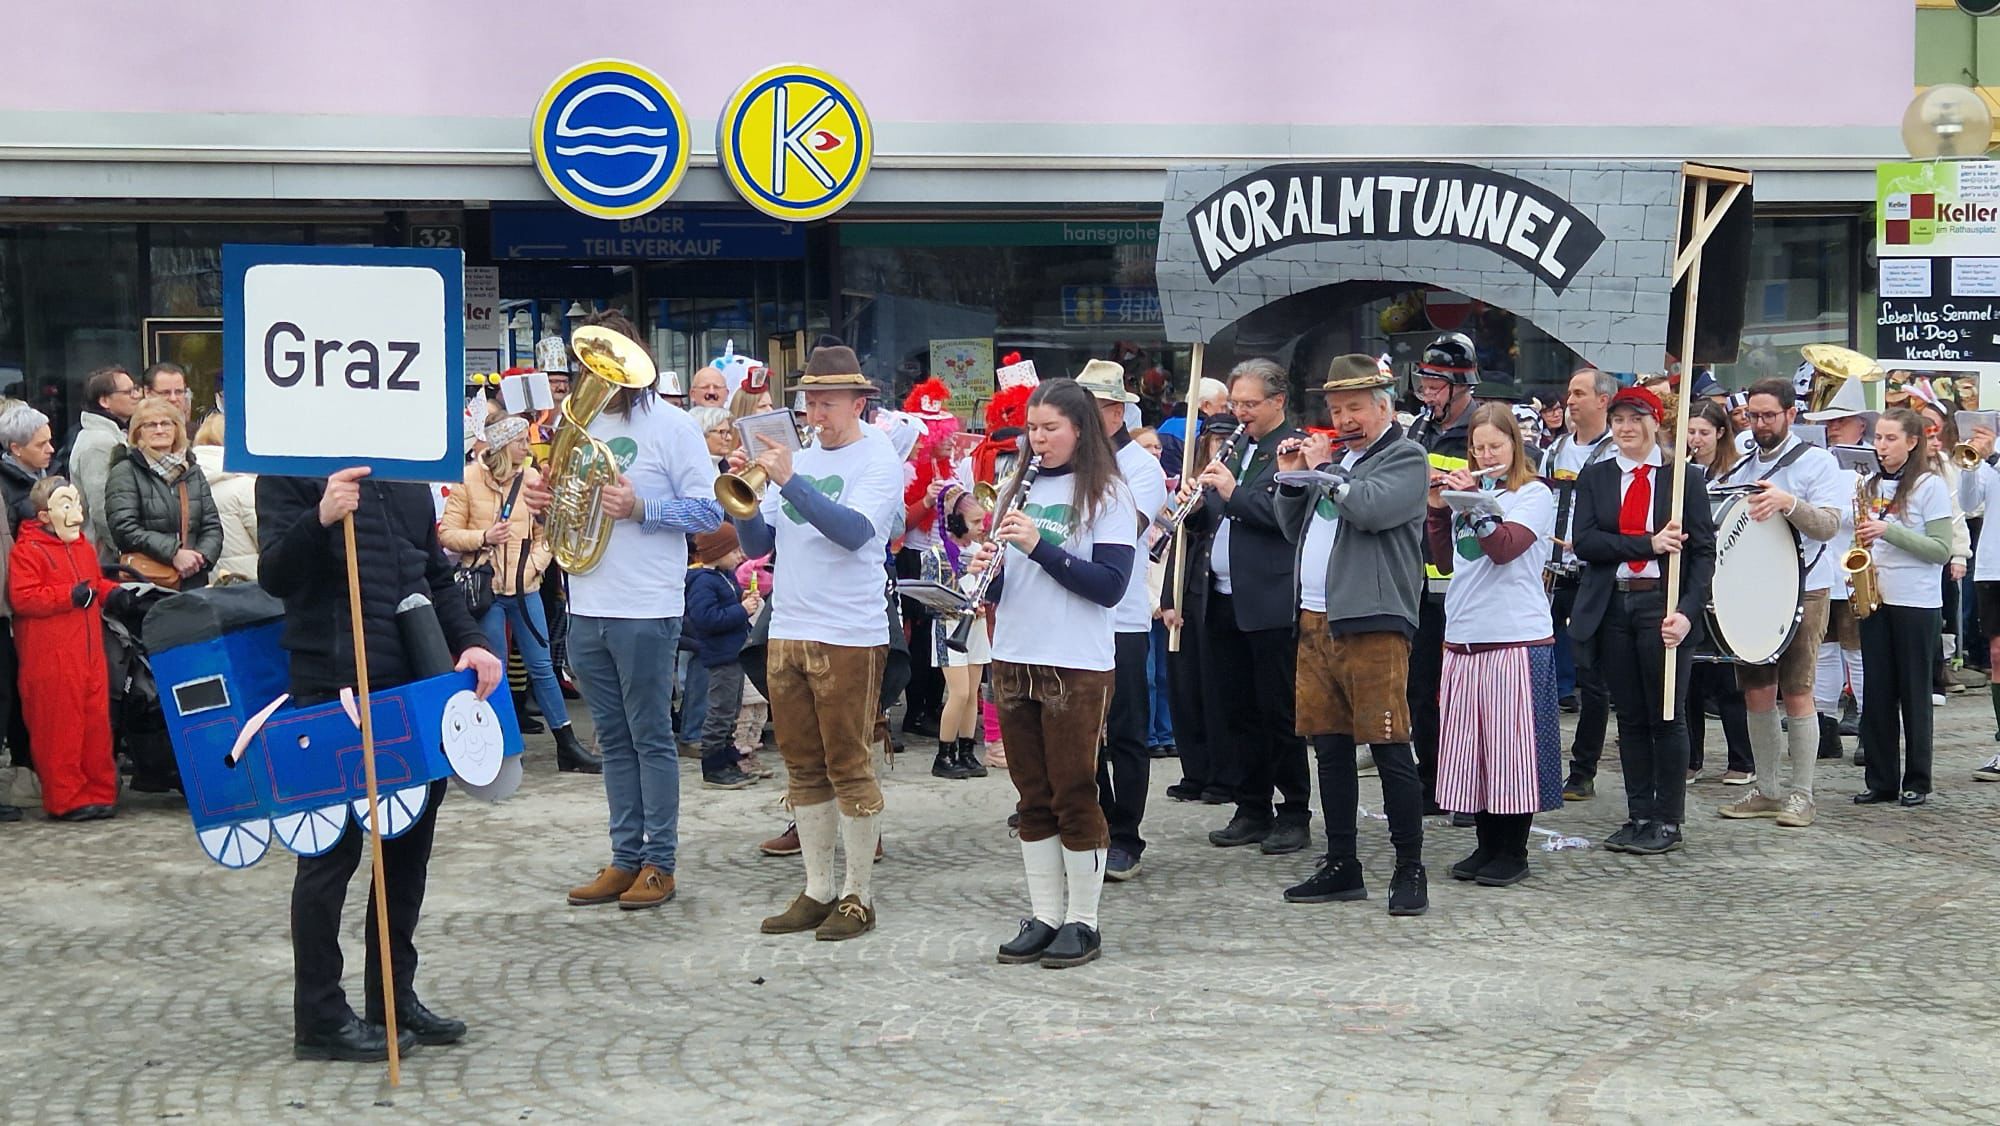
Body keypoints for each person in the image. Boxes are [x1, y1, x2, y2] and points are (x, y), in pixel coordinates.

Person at [258, 461, 504, 1062]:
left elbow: (434, 578)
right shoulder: (289, 470)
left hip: (409, 687)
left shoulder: (404, 473)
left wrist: (470, 640)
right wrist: (321, 517)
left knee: (407, 851)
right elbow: (275, 576)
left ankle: (392, 996)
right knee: (329, 860)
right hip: (331, 686)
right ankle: (318, 1017)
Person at [730, 342, 902, 941]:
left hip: (849, 634)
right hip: (789, 629)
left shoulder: (878, 458)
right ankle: (816, 889)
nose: (815, 415)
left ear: (859, 402)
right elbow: (757, 549)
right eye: (809, 403)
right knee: (802, 767)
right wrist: (744, 497)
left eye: (827, 403)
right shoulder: (795, 457)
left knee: (849, 765)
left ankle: (859, 894)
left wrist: (792, 481)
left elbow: (855, 533)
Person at [967, 378, 1137, 967]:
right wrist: (988, 566)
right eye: (1032, 429)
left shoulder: (1108, 493)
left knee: (1074, 791)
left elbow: (1109, 587)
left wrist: (1040, 546)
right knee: (1031, 795)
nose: (1037, 440)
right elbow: (1018, 580)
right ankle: (1044, 914)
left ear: (1080, 429)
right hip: (1015, 652)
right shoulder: (1019, 486)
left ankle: (1083, 921)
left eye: (1050, 429)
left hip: (1076, 663)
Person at [559, 313, 723, 913]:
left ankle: (661, 862)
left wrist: (641, 508)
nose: (593, 372)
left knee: (651, 736)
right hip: (587, 600)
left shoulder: (673, 426)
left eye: (606, 359)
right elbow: (563, 497)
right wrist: (540, 495)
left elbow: (709, 516)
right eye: (588, 359)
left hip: (646, 604)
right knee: (612, 738)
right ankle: (625, 856)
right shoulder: (576, 424)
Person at [1273, 355, 1430, 913]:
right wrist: (1292, 478)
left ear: (1384, 406)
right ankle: (1342, 863)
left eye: (1356, 407)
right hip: (1315, 619)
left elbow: (1368, 509)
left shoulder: (1406, 456)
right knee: (1330, 748)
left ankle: (1410, 867)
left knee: (1389, 745)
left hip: (1374, 619)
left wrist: (1328, 474)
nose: (1344, 419)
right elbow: (1292, 527)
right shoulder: (1336, 462)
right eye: (1337, 409)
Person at [1569, 385, 1716, 856]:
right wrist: (1646, 544)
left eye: (1636, 419)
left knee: (1666, 714)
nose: (1626, 428)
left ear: (1656, 423)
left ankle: (1668, 819)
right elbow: (1587, 543)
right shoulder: (1597, 477)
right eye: (1618, 421)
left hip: (1662, 605)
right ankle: (1638, 813)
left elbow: (1703, 554)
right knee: (1629, 716)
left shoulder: (1682, 479)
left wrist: (1688, 614)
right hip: (1613, 604)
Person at [1427, 404, 1560, 886]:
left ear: (1515, 446)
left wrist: (1475, 505)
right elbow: (1444, 561)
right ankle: (1485, 846)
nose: (1486, 455)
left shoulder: (1534, 494)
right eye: (1478, 448)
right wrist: (1439, 510)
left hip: (1514, 636)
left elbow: (1504, 549)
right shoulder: (1474, 494)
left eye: (1495, 447)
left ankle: (1514, 851)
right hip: (1464, 633)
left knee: (1512, 751)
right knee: (1475, 750)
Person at [1184, 359, 1310, 853]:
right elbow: (1219, 514)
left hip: (1269, 598)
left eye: (1250, 404)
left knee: (1278, 710)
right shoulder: (1237, 445)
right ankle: (1251, 805)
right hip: (1221, 598)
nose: (1240, 413)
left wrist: (1230, 491)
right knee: (1235, 710)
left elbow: (1282, 517)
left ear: (1278, 401)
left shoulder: (1292, 449)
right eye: (1236, 403)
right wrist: (1195, 509)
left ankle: (1294, 810)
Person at [1710, 378, 1846, 828]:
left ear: (1791, 414)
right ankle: (1767, 788)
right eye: (1754, 415)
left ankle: (1802, 794)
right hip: (1753, 589)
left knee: (1798, 690)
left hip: (1806, 587)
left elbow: (1828, 525)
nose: (1761, 423)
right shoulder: (1743, 461)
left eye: (1770, 415)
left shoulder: (1818, 462)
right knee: (1756, 690)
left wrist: (1789, 503)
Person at [438, 414, 599, 774]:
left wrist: (534, 567)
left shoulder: (531, 480)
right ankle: (503, 744)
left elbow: (549, 533)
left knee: (543, 666)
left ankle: (567, 745)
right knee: (492, 665)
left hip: (524, 587)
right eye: (519, 442)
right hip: (485, 589)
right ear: (501, 445)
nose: (527, 447)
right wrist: (483, 538)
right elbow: (446, 533)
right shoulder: (466, 480)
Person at [1076, 361, 1170, 881]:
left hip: (1122, 616)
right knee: (1082, 730)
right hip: (1075, 614)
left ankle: (1127, 834)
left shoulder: (1140, 466)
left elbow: (1119, 531)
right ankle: (1096, 820)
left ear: (1115, 412)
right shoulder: (1074, 458)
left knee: (1126, 731)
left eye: (1090, 408)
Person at [9, 478, 126, 820]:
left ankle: (99, 791)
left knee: (95, 725)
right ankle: (66, 799)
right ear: (44, 515)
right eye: (66, 505)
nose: (76, 514)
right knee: (59, 728)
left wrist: (112, 592)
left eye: (76, 504)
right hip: (52, 655)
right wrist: (67, 597)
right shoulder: (27, 551)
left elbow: (92, 583)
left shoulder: (81, 548)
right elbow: (24, 597)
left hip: (88, 652)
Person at [1853, 408, 1953, 807]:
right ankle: (1880, 780)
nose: (1881, 446)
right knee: (1876, 692)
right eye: (1878, 438)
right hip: (1877, 598)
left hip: (1916, 601)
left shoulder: (1930, 485)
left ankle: (1917, 780)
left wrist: (1888, 531)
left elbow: (1941, 550)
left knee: (1914, 694)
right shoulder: (1870, 483)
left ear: (1912, 443)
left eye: (1890, 439)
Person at [1406, 332, 1479, 815]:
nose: (1427, 395)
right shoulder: (1417, 430)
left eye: (1435, 385)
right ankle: (1431, 778)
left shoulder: (1485, 430)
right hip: (1416, 578)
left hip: (1465, 580)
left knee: (1462, 693)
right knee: (1419, 688)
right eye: (1424, 384)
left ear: (1460, 385)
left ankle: (1468, 787)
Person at [1158, 417, 1239, 806]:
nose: (1220, 446)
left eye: (1227, 440)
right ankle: (1195, 770)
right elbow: (1181, 542)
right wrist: (1168, 600)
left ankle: (1223, 775)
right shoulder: (1197, 482)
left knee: (1216, 689)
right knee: (1184, 687)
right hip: (1189, 590)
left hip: (1218, 595)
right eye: (1215, 440)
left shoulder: (1234, 484)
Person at [1545, 368, 1618, 799]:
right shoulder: (1556, 448)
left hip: (1593, 571)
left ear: (1603, 400)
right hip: (1554, 570)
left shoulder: (1613, 452)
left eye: (1578, 393)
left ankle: (1583, 769)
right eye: (1568, 392)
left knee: (1591, 676)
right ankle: (1538, 761)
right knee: (1538, 666)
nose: (1569, 400)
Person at [1802, 384, 1877, 760]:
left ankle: (1869, 726)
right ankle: (1825, 724)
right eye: (1829, 422)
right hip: (1821, 566)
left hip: (1852, 566)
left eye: (1841, 421)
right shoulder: (1817, 460)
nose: (1832, 428)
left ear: (1860, 425)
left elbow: (1866, 511)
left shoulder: (1867, 462)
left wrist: (1823, 509)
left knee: (1857, 651)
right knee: (1825, 650)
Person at [1680, 401, 1753, 783]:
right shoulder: (1681, 471)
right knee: (1690, 674)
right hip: (1693, 574)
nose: (1695, 439)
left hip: (1726, 575)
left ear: (1720, 433)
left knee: (1726, 675)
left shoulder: (1735, 472)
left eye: (1703, 433)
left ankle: (1741, 760)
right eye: (1691, 432)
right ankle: (1691, 759)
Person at [105, 399, 223, 590]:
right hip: (147, 583)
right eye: (151, 425)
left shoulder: (192, 471)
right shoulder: (126, 471)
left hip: (193, 581)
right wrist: (174, 553)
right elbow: (123, 527)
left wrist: (199, 558)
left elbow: (212, 525)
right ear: (138, 431)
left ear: (177, 429)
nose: (159, 430)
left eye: (166, 423)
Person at [918, 483, 993, 780]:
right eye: (975, 521)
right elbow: (930, 597)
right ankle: (943, 754)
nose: (981, 527)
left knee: (971, 694)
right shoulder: (935, 555)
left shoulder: (980, 550)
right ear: (956, 522)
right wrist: (966, 577)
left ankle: (966, 750)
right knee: (959, 692)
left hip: (975, 627)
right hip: (950, 627)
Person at [683, 524, 762, 789]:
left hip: (734, 652)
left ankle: (728, 757)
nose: (740, 555)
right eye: (734, 550)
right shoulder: (703, 582)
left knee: (731, 710)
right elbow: (706, 619)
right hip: (721, 655)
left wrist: (743, 599)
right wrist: (742, 610)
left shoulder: (723, 576)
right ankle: (713, 765)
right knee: (720, 711)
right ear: (718, 551)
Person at [66, 364, 141, 564]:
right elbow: (102, 508)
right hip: (105, 557)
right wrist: (125, 551)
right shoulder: (99, 442)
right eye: (128, 392)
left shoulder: (111, 435)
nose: (137, 395)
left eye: (136, 389)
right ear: (104, 400)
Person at [1959, 420, 2000, 778]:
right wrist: (1970, 465)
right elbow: (1969, 503)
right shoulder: (1991, 451)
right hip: (1992, 566)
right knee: (1998, 657)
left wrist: (1995, 457)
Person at [191, 414, 260, 584]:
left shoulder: (189, 482)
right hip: (251, 585)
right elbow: (267, 539)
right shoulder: (245, 486)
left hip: (211, 583)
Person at [1155, 375, 1229, 478]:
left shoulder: (1165, 424)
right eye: (1223, 407)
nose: (1226, 413)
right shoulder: (1202, 432)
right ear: (1206, 406)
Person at [690, 406, 736, 470]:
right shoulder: (690, 470)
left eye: (728, 432)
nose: (729, 438)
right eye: (722, 432)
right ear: (703, 433)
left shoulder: (726, 467)